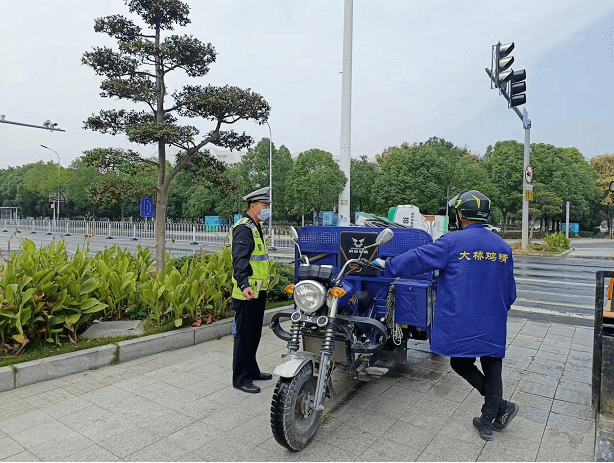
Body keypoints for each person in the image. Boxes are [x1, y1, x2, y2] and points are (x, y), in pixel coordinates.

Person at [374, 190, 518, 441]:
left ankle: (489, 418)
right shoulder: (503, 246)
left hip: (465, 318)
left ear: (461, 214)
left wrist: (389, 265)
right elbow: (510, 292)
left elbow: (420, 258)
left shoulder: (453, 242)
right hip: (493, 319)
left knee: (460, 362)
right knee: (493, 368)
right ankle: (499, 409)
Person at [231, 186, 273, 394]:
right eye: (264, 206)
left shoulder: (257, 226)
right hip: (246, 293)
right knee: (244, 336)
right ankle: (241, 378)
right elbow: (239, 260)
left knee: (254, 334)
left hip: (258, 291)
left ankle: (252, 370)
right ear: (253, 206)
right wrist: (244, 284)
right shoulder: (243, 228)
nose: (267, 209)